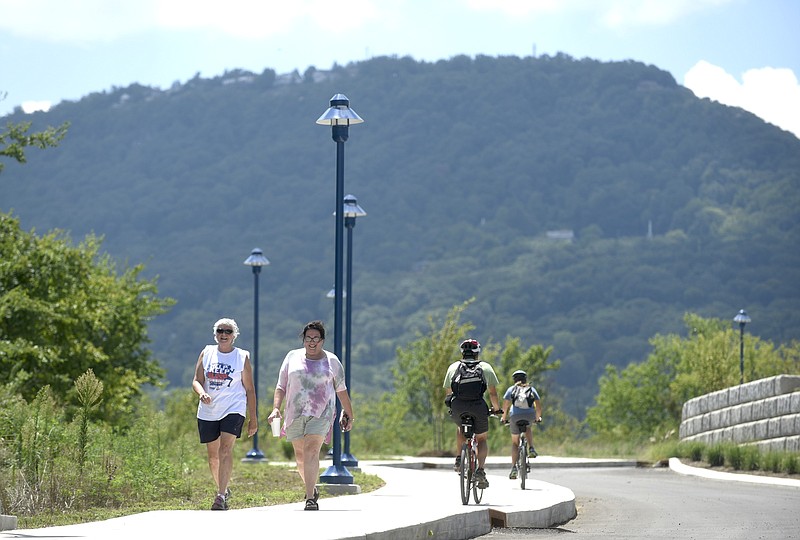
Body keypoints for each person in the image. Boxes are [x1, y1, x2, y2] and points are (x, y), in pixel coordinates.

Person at [267, 320, 354, 511]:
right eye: (308, 338)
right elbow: (281, 386)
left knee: (311, 451)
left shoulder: (332, 361)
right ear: (303, 339)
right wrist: (276, 409)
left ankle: (309, 499)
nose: (312, 342)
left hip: (321, 413)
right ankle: (312, 488)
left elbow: (341, 390)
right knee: (300, 456)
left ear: (322, 340)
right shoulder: (292, 357)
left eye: (316, 338)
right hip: (294, 412)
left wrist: (349, 413)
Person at [192, 318, 259, 511]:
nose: (224, 334)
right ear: (215, 334)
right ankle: (224, 487)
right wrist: (201, 392)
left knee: (225, 450)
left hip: (233, 408)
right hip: (208, 410)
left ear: (234, 335)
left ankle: (220, 496)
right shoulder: (207, 352)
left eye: (228, 331)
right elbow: (196, 380)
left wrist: (253, 419)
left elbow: (250, 389)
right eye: (220, 331)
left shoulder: (241, 357)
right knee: (213, 457)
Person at [443, 338, 500, 489]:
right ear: (477, 353)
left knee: (460, 428)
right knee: (481, 438)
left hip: (458, 406)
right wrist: (496, 409)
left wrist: (452, 406)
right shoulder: (485, 367)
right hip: (478, 406)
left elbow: (448, 394)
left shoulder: (453, 367)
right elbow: (493, 394)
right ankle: (480, 470)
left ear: (462, 352)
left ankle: (458, 458)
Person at [500, 369, 543, 479]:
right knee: (528, 426)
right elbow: (538, 406)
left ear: (514, 380)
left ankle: (514, 468)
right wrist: (537, 418)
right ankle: (531, 448)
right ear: (525, 379)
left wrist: (503, 418)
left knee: (515, 443)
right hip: (529, 415)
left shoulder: (511, 389)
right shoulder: (531, 389)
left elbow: (505, 407)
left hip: (515, 416)